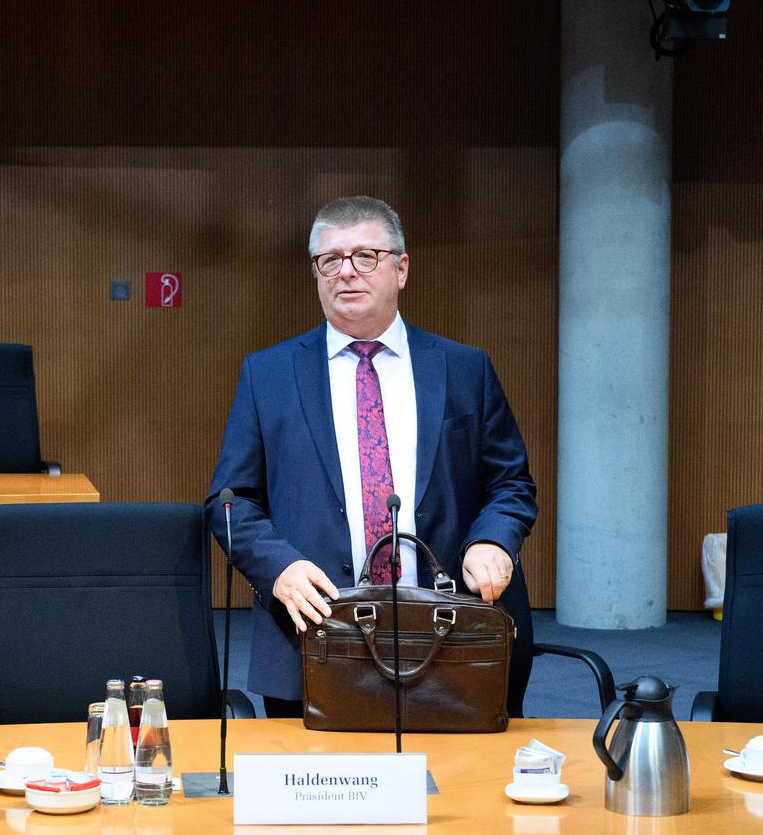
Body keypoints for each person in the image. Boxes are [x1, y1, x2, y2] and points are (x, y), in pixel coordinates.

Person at [206, 196, 539, 718]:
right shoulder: (267, 375)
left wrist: (494, 539)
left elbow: (510, 482)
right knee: (320, 794)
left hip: (448, 635)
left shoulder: (463, 369)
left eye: (365, 256)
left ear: (400, 268)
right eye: (330, 260)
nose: (346, 273)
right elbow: (231, 502)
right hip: (315, 637)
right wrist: (279, 568)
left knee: (460, 794)